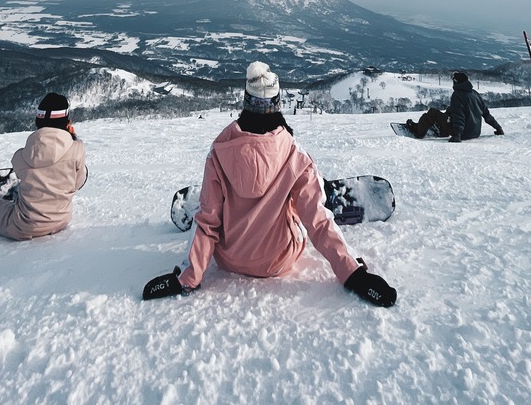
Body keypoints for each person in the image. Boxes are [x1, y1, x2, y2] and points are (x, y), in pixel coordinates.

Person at [143, 62, 396, 307]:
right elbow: (317, 222)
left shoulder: (219, 152)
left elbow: (208, 222)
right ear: (277, 104)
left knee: (209, 211)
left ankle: (244, 202)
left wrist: (187, 278)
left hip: (228, 259)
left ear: (245, 101)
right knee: (305, 206)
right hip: (278, 260)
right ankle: (318, 191)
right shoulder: (296, 156)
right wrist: (353, 273)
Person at [0, 93, 87, 240]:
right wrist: (71, 139)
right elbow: (78, 182)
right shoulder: (77, 149)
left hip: (24, 226)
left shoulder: (22, 156)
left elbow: (21, 167)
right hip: (62, 220)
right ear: (67, 122)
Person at [406, 72, 504, 141]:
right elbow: (486, 114)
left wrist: (457, 135)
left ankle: (418, 131)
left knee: (432, 113)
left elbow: (459, 115)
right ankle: (442, 131)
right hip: (475, 132)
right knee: (449, 110)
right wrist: (498, 128)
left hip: (463, 133)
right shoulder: (475, 94)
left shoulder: (457, 95)